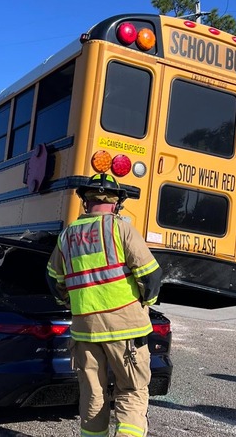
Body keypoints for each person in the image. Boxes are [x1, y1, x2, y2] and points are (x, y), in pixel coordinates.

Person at [46, 173, 163, 437]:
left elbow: (54, 281)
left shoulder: (66, 236)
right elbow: (151, 275)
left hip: (85, 330)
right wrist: (147, 302)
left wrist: (71, 302)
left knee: (93, 394)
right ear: (116, 203)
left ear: (86, 203)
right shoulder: (121, 229)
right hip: (126, 330)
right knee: (132, 390)